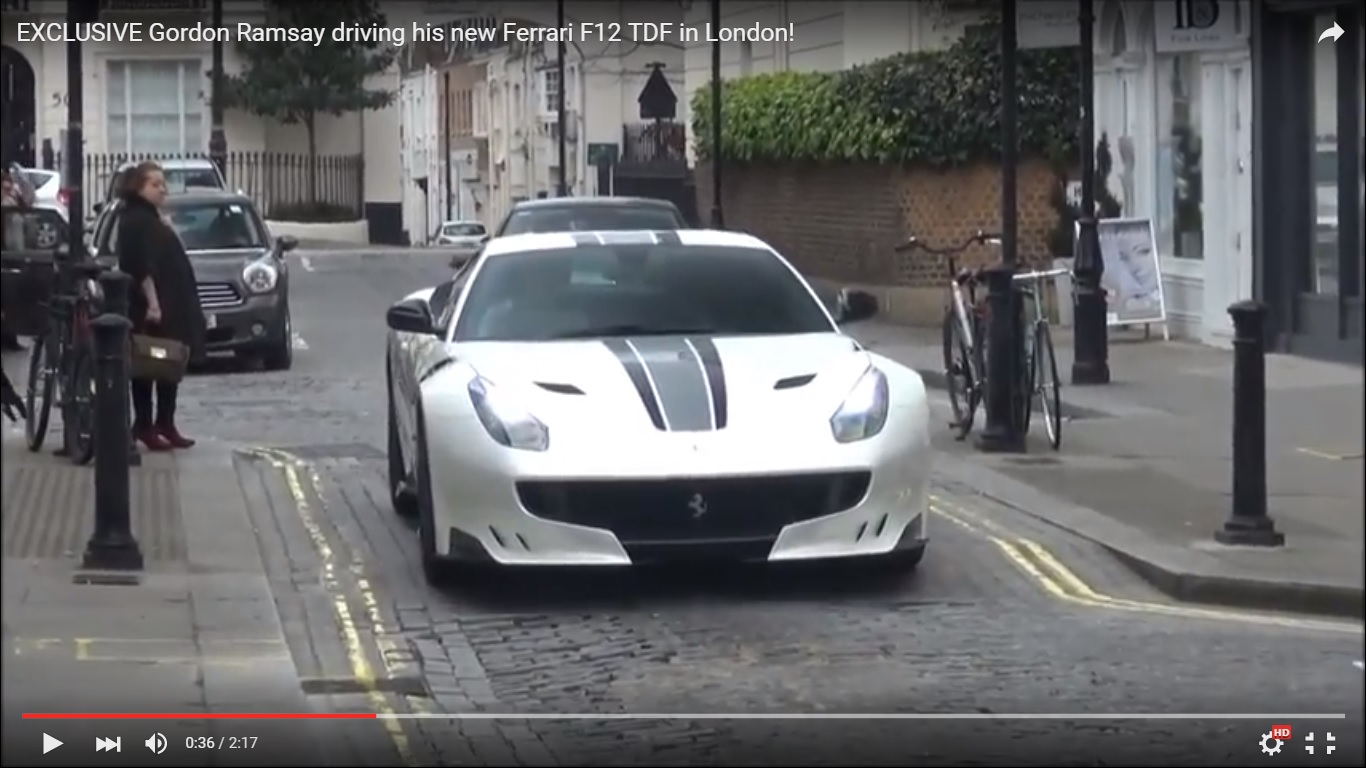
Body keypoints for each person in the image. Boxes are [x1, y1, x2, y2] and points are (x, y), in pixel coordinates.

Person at [117, 161, 206, 451]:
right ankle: (145, 423)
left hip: (171, 300)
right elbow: (140, 267)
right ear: (138, 187)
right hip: (153, 306)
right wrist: (153, 304)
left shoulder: (150, 217)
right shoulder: (135, 221)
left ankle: (164, 422)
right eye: (155, 184)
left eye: (163, 183)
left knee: (169, 362)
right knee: (148, 362)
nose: (162, 188)